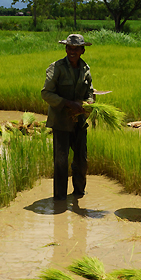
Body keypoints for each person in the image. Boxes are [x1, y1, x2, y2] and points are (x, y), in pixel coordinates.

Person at [41, 34, 95, 201]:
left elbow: (90, 92)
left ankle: (79, 193)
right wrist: (68, 104)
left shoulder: (86, 68)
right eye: (69, 48)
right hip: (61, 122)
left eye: (76, 48)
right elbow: (46, 93)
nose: (72, 51)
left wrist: (89, 103)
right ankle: (60, 198)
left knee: (81, 160)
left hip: (79, 122)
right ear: (66, 49)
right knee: (61, 161)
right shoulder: (56, 67)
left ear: (82, 50)